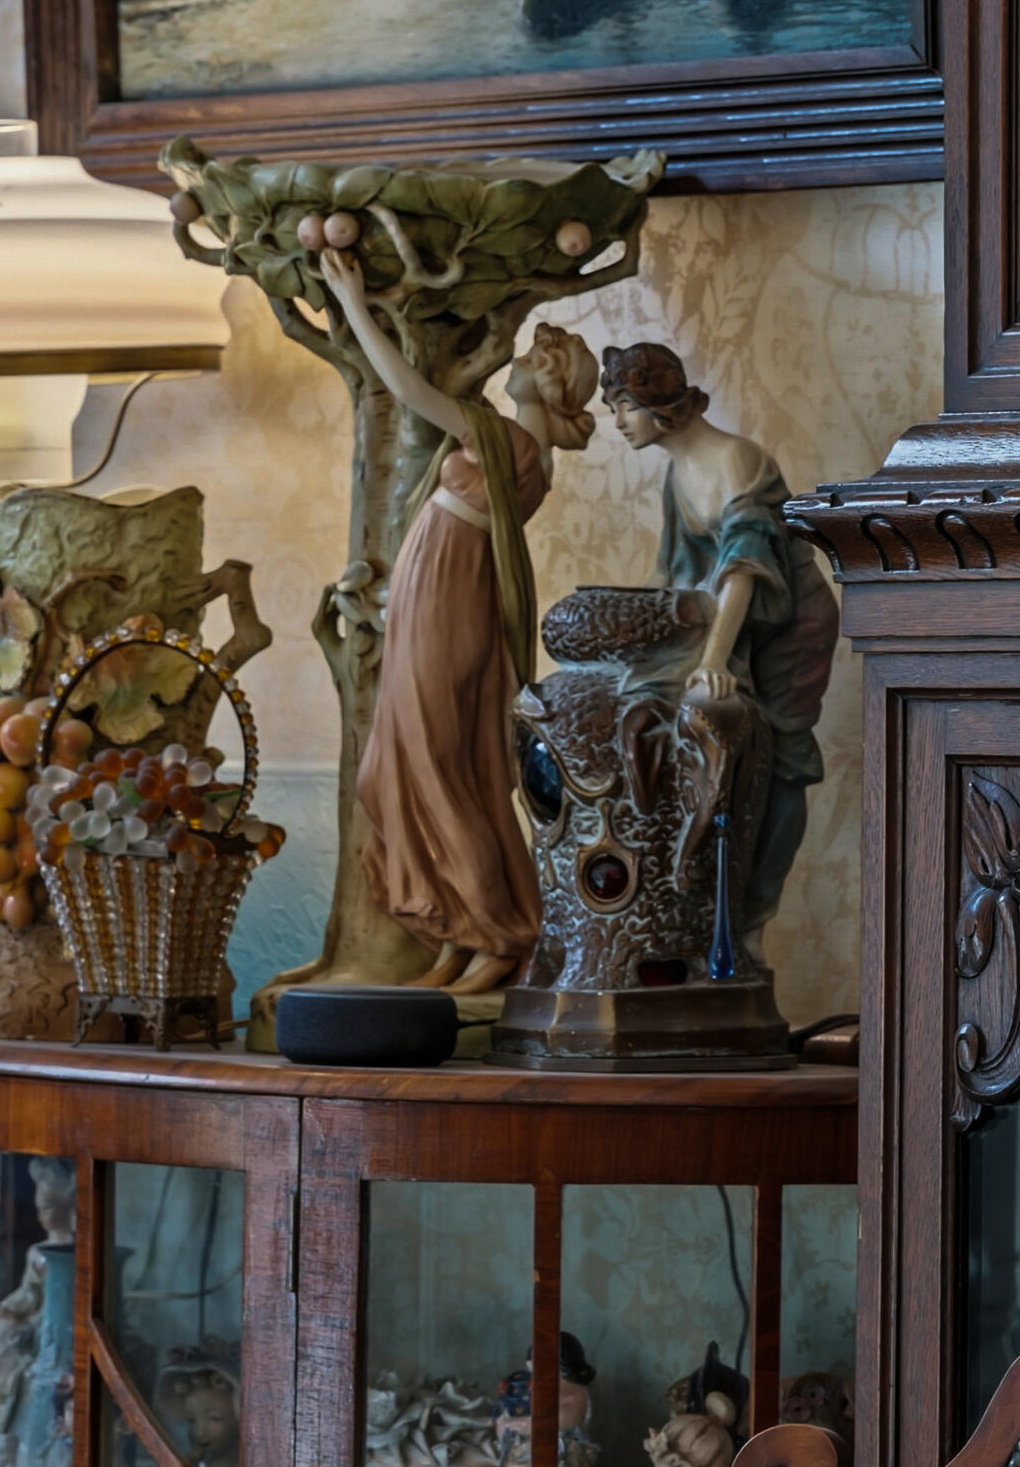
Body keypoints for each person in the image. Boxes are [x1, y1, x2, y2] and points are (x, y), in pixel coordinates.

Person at [320, 247, 597, 991]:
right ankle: (457, 931)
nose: (510, 362)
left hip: (449, 605)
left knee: (442, 772)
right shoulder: (514, 443)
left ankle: (502, 934)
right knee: (414, 769)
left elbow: (408, 387)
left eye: (529, 358)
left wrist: (353, 305)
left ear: (544, 380)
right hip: (429, 598)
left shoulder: (508, 440)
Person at [599, 342, 839, 945]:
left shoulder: (736, 462)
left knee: (783, 758)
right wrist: (635, 637)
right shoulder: (679, 472)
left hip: (787, 625)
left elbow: (744, 569)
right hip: (728, 620)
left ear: (662, 406)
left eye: (625, 406)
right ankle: (693, 900)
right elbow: (672, 575)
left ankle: (751, 921)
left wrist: (710, 663)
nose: (618, 422)